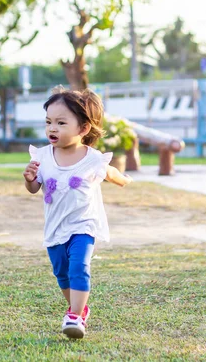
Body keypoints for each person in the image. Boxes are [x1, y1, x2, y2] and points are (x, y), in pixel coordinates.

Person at [23, 87, 132, 339]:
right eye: (49, 122)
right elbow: (34, 188)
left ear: (83, 128)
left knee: (79, 267)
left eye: (61, 123)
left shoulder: (92, 159)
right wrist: (29, 179)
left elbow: (110, 172)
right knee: (61, 271)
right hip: (55, 227)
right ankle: (79, 310)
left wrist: (123, 180)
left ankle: (74, 316)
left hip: (84, 225)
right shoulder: (41, 157)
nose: (52, 128)